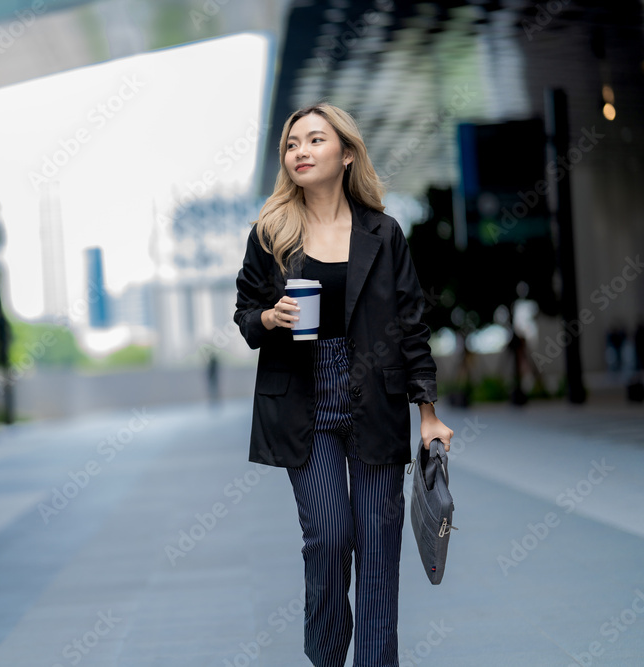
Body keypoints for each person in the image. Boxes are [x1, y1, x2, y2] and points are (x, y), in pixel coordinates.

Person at [233, 103, 454, 667]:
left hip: (374, 397)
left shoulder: (383, 232)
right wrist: (269, 318)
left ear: (346, 153)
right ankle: (328, 655)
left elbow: (411, 323)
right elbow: (245, 312)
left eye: (314, 140)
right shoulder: (272, 233)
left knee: (379, 549)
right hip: (302, 398)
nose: (300, 151)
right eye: (291, 144)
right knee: (328, 539)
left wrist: (427, 411)